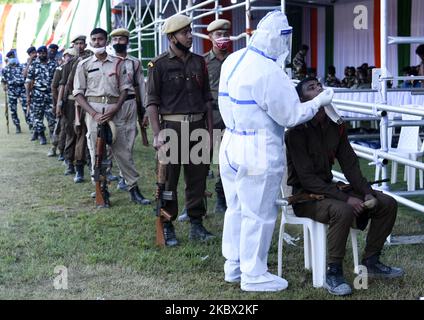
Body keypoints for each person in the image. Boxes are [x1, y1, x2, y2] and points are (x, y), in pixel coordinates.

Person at [218, 10, 334, 292]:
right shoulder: (269, 72)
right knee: (258, 212)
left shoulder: (234, 59)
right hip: (257, 146)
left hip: (230, 141)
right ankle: (254, 274)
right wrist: (319, 101)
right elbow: (292, 116)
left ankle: (233, 265)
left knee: (236, 208)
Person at [285, 77, 404, 296]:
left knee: (386, 203)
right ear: (302, 99)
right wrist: (347, 199)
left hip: (329, 191)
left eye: (319, 85)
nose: (319, 88)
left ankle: (371, 261)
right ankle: (333, 272)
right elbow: (308, 179)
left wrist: (366, 192)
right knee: (344, 209)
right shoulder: (296, 131)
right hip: (305, 197)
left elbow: (350, 165)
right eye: (312, 88)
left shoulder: (335, 125)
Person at [145, 14, 215, 246]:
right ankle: (167, 224)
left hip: (198, 127)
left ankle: (196, 223)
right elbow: (152, 102)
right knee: (168, 182)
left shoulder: (199, 62)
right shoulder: (158, 64)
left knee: (198, 179)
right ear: (172, 37)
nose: (189, 36)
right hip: (171, 129)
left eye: (190, 31)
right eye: (184, 32)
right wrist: (157, 135)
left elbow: (207, 99)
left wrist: (210, 132)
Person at [74, 28, 148, 206]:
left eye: (101, 39)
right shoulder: (84, 65)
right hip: (94, 111)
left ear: (106, 42)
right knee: (96, 153)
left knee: (123, 151)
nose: (97, 42)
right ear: (90, 42)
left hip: (116, 110)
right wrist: (93, 114)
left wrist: (115, 108)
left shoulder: (118, 63)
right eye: (94, 39)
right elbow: (78, 93)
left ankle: (133, 188)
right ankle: (101, 189)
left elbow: (125, 89)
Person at [109, 27, 151, 204]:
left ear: (127, 41)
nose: (118, 42)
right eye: (115, 39)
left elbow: (141, 86)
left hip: (131, 105)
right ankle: (128, 182)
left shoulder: (135, 62)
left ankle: (122, 177)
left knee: (128, 143)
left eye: (122, 39)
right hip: (113, 106)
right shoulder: (108, 61)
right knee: (117, 144)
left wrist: (146, 109)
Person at [63, 35, 92, 182]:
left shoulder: (92, 59)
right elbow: (68, 85)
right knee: (78, 135)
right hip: (78, 104)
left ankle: (97, 167)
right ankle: (77, 167)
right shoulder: (72, 63)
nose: (80, 46)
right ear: (74, 45)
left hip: (95, 103)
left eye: (82, 44)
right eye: (77, 44)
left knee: (97, 136)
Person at [26, 46, 57, 145]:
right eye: (40, 53)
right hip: (37, 95)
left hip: (50, 95)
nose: (42, 55)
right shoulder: (34, 65)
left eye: (44, 53)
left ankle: (53, 135)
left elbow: (57, 81)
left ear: (47, 53)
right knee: (38, 117)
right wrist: (28, 96)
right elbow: (28, 81)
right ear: (38, 54)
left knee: (51, 117)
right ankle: (41, 135)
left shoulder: (53, 64)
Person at [1, 50, 30, 133]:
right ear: (8, 59)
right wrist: (4, 87)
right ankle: (17, 126)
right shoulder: (5, 69)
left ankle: (30, 124)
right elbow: (3, 81)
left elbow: (26, 76)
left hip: (21, 89)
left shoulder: (21, 67)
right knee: (13, 110)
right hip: (11, 90)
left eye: (13, 57)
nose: (12, 59)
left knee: (26, 108)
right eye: (10, 58)